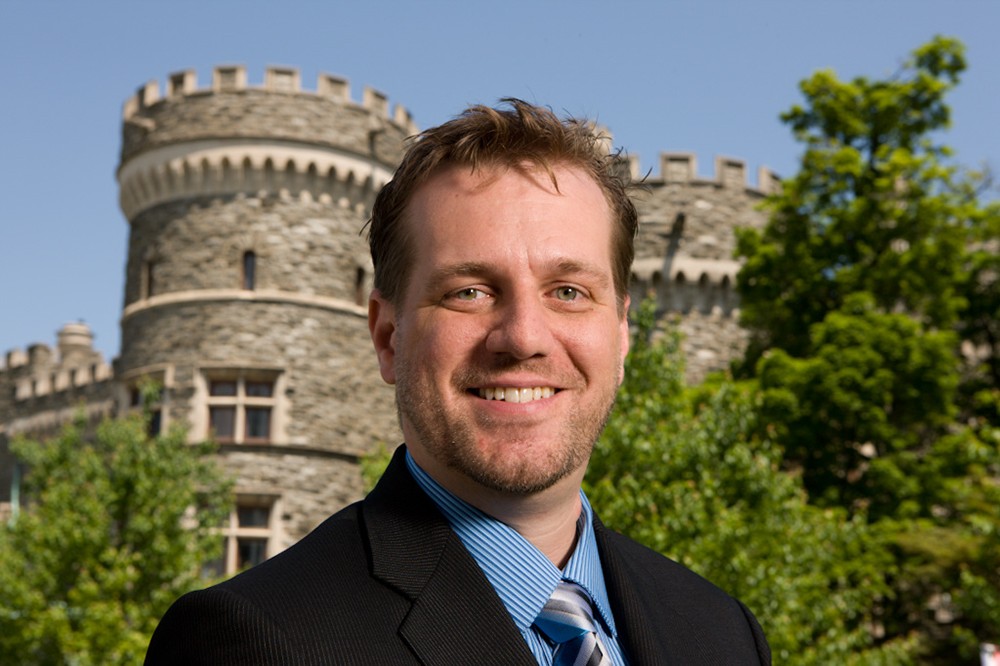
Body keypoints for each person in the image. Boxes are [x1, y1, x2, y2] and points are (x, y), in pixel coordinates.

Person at [145, 99, 771, 665]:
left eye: (568, 292)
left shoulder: (722, 633)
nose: (524, 337)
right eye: (469, 291)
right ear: (388, 336)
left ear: (623, 333)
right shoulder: (251, 641)